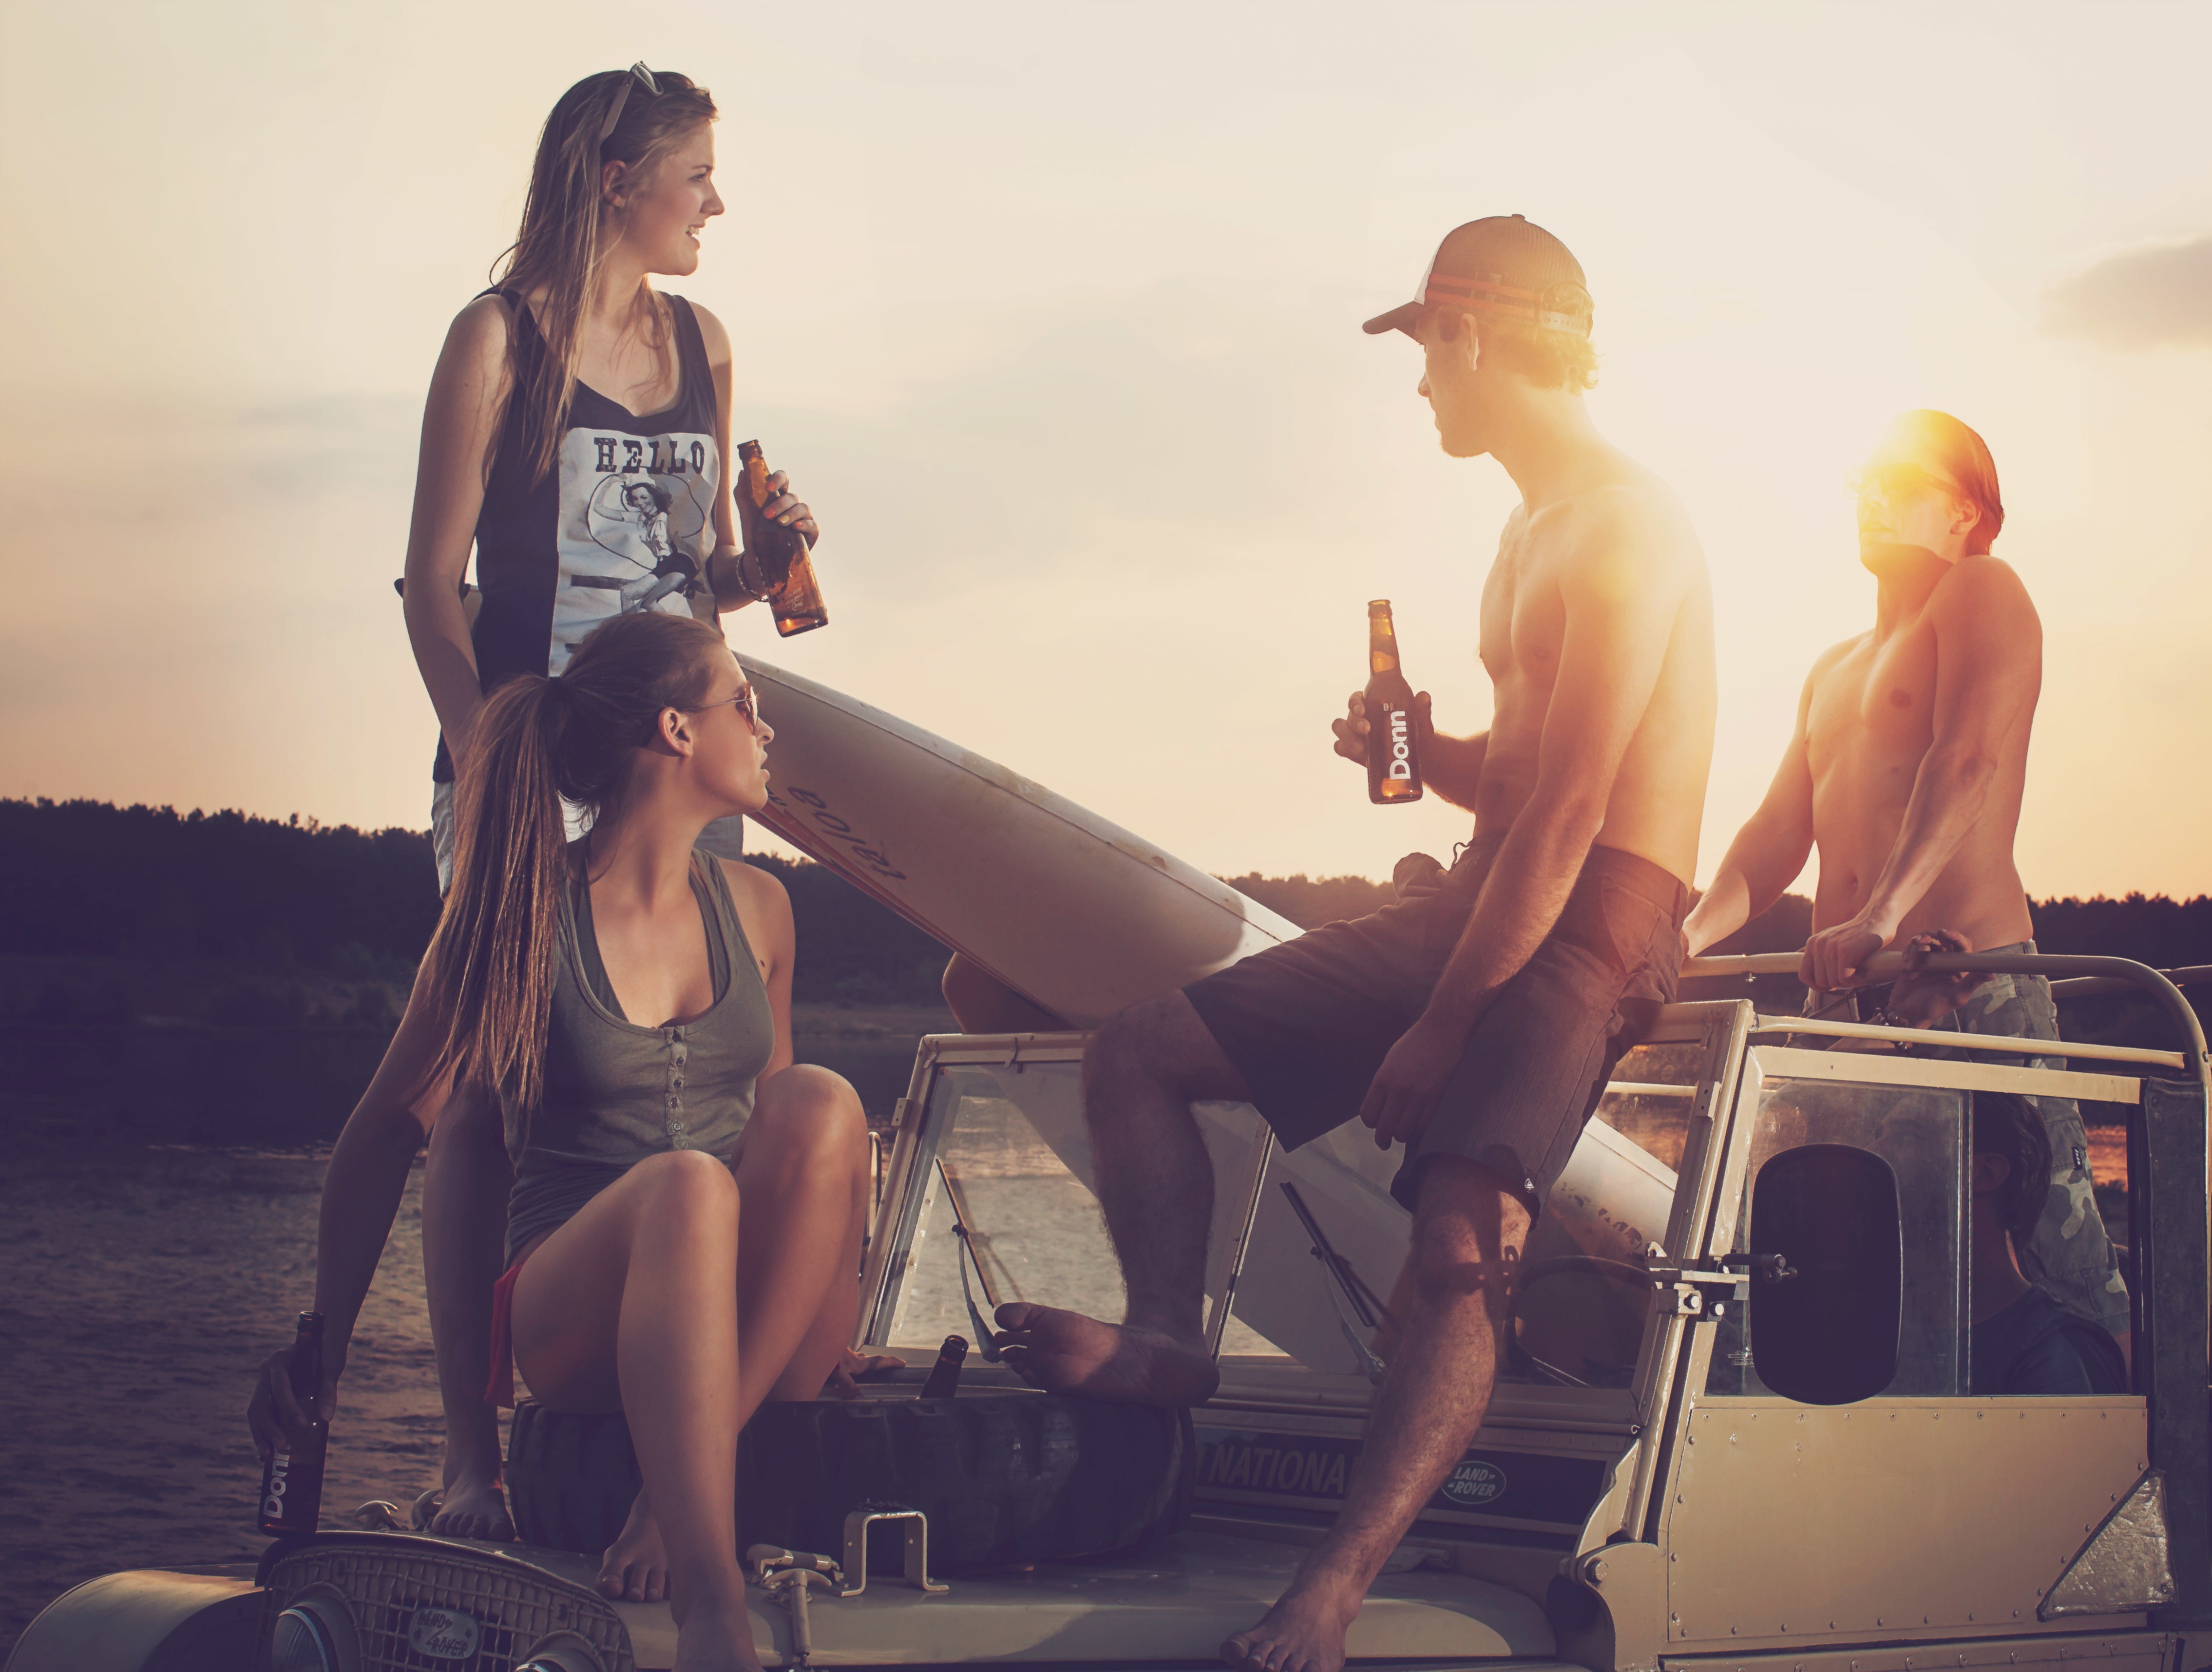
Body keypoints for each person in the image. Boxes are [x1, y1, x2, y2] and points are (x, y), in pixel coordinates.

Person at [996, 216, 1714, 1672]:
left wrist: (1445, 1025)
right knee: (1139, 1052)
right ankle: (1167, 1335)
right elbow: (1518, 791)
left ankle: (1329, 1589)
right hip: (1488, 882)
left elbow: (1578, 815)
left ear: (1475, 334)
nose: (1415, 388)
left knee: (1453, 1250)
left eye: (1422, 350)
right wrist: (1426, 752)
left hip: (1601, 906)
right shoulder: (1525, 527)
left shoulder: (1626, 522)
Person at [248, 611, 893, 1670]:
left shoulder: (764, 909)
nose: (766, 727)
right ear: (677, 730)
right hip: (581, 1325)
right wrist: (326, 1359)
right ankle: (709, 1599)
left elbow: (784, 1144)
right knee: (681, 1186)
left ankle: (686, 1471)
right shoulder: (513, 915)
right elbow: (387, 1141)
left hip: (749, 1334)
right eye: (746, 703)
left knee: (821, 1100)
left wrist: (834, 1305)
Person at [396, 64, 821, 1539]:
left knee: (690, 1090)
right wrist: (489, 767)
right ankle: (470, 1461)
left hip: (670, 768)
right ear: (613, 181)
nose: (715, 201)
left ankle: (667, 1408)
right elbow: (432, 582)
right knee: (473, 1107)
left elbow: (686, 575)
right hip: (528, 767)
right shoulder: (495, 341)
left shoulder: (705, 343)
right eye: (695, 174)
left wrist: (752, 575)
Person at [1678, 410, 2131, 1363]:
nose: (1873, 498)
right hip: (1841, 997)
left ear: (1967, 515)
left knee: (2045, 1247)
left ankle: (2122, 1458)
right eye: (1863, 483)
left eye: (1902, 482)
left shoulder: (1981, 590)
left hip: (1970, 985)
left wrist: (1877, 915)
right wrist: (1676, 944)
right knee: (1827, 1248)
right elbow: (1772, 836)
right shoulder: (1831, 668)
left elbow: (1964, 761)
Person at [1969, 1093, 2128, 1396]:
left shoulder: (2056, 1353)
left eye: (1906, 1138)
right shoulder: (1892, 1319)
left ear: (1986, 1172)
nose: (1881, 1153)